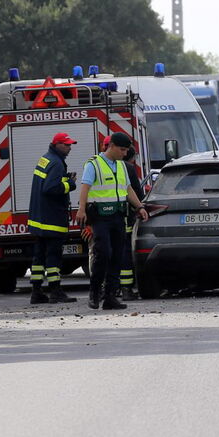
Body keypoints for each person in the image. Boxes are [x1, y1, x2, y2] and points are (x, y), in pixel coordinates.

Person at [75, 132, 149, 310]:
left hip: (118, 216)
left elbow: (128, 188)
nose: (124, 154)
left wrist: (139, 207)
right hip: (100, 217)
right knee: (103, 254)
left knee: (117, 256)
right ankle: (95, 293)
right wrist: (81, 209)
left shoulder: (122, 166)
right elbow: (85, 187)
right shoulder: (94, 164)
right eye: (122, 150)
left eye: (126, 150)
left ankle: (110, 297)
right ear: (112, 146)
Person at [27, 132, 78, 304]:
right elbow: (50, 188)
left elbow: (45, 184)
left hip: (40, 218)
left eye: (70, 145)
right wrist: (69, 184)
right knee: (53, 256)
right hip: (52, 219)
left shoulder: (46, 159)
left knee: (39, 256)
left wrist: (63, 179)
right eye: (66, 145)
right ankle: (55, 291)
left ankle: (36, 291)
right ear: (56, 144)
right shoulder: (56, 163)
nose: (69, 148)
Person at [119, 144, 144, 301]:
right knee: (125, 254)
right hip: (125, 218)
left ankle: (108, 289)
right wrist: (140, 207)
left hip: (104, 220)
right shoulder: (128, 168)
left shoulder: (95, 164)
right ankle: (127, 289)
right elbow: (136, 191)